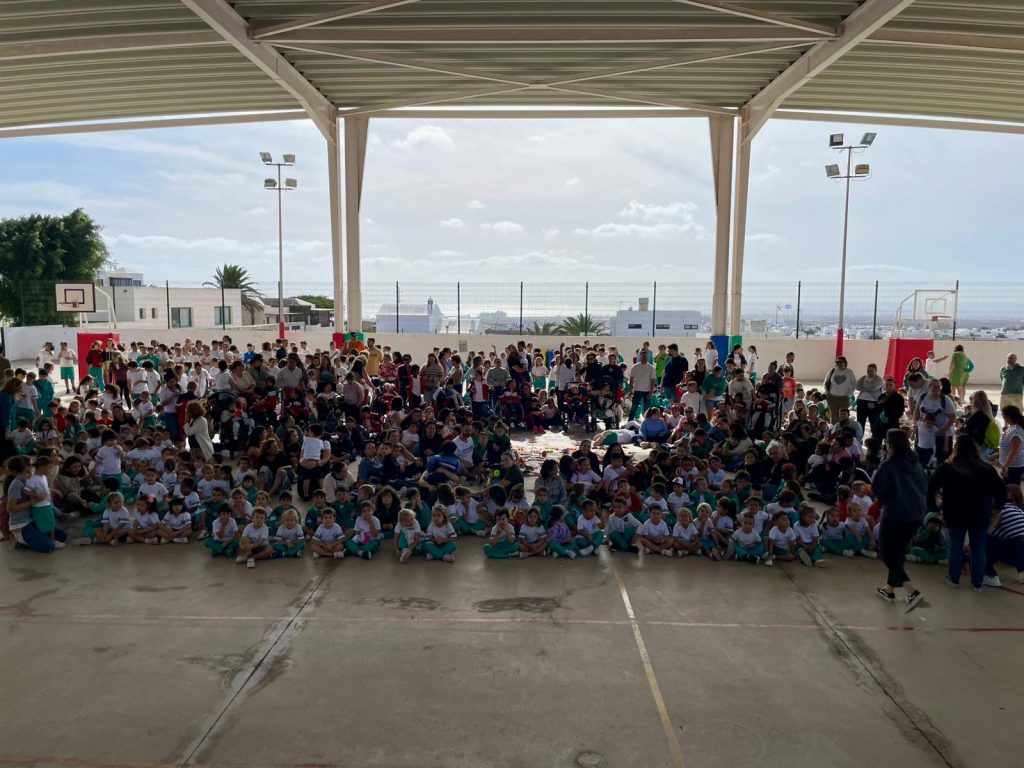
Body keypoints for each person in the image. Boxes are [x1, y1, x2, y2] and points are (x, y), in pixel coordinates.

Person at [928, 435, 1005, 591]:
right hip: (981, 513)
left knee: (955, 545)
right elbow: (1002, 490)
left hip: (954, 512)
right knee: (979, 547)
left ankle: (954, 578)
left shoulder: (947, 467)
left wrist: (934, 509)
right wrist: (996, 509)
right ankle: (977, 582)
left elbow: (931, 487)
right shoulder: (986, 468)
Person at [872, 429, 927, 612]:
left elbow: (879, 489)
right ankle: (889, 589)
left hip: (897, 512)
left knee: (886, 551)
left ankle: (911, 590)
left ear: (890, 444)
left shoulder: (889, 465)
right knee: (899, 551)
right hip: (917, 513)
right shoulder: (915, 463)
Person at [985, 485, 1024, 585]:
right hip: (1019, 542)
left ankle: (989, 574)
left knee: (985, 541)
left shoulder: (1000, 509)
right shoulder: (1019, 510)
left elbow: (991, 532)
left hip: (1017, 544)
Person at [823, 356, 856, 425]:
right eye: (837, 362)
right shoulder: (832, 370)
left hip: (844, 398)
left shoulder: (849, 372)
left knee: (843, 417)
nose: (838, 363)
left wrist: (848, 395)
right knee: (834, 416)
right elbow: (826, 382)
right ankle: (834, 431)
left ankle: (843, 431)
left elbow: (854, 385)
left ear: (845, 363)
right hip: (832, 398)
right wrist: (827, 393)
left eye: (840, 362)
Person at [855, 363, 884, 435]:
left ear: (875, 371)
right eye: (868, 370)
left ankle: (874, 439)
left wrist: (864, 388)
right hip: (861, 401)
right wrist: (868, 388)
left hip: (873, 402)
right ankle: (859, 438)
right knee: (860, 422)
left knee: (873, 422)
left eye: (871, 371)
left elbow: (874, 387)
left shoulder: (879, 379)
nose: (869, 372)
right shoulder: (863, 378)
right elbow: (857, 386)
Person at [998, 405, 1024, 487]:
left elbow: (1014, 451)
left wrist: (1005, 467)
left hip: (1013, 467)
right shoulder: (1012, 428)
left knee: (1013, 490)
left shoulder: (1016, 431)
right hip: (1011, 465)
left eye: (1003, 415)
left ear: (1008, 417)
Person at [628, 349, 656, 420]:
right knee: (634, 407)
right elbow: (631, 379)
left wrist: (651, 392)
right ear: (640, 357)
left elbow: (653, 380)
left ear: (648, 357)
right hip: (637, 390)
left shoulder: (651, 368)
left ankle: (647, 422)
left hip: (647, 391)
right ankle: (630, 421)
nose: (644, 358)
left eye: (645, 357)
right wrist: (631, 389)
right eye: (643, 357)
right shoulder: (635, 367)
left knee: (647, 409)